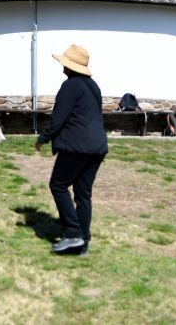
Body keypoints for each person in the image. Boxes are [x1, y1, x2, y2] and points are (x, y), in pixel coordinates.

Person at [34, 44, 108, 255]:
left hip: (76, 147)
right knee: (83, 195)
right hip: (97, 147)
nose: (62, 67)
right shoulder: (93, 85)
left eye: (64, 64)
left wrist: (42, 139)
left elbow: (59, 119)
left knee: (58, 184)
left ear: (70, 67)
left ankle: (72, 233)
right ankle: (82, 243)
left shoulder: (70, 86)